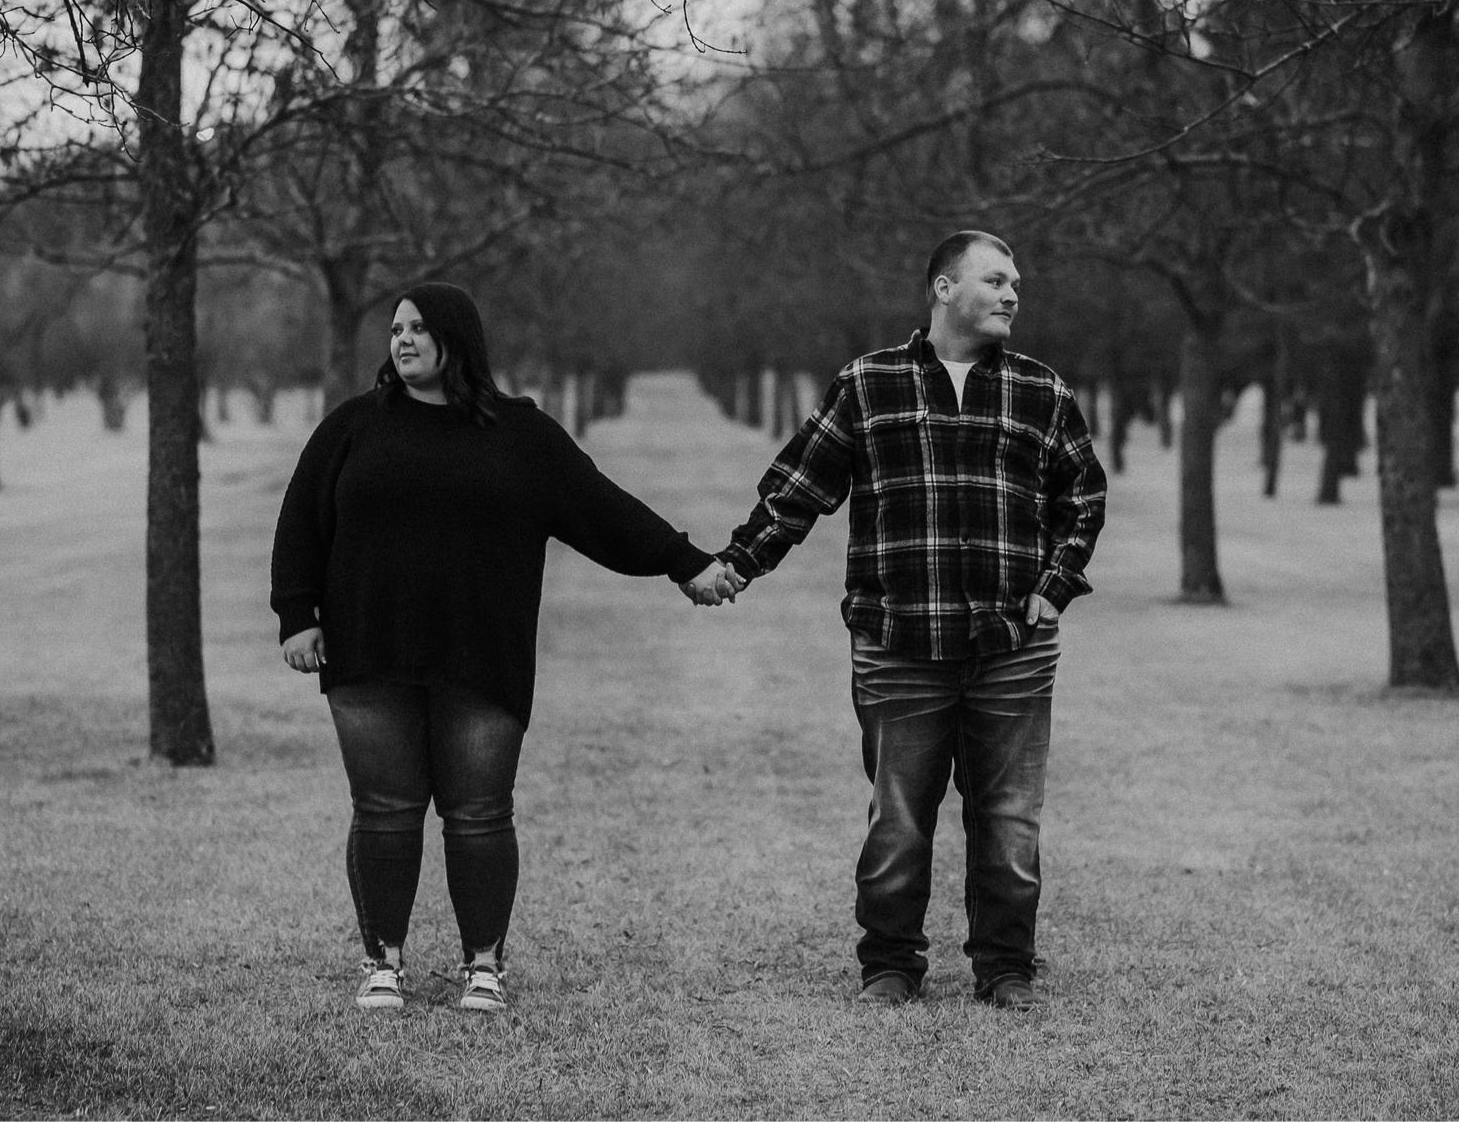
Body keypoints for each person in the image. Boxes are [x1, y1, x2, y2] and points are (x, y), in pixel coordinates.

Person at [271, 282, 732, 1013]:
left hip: (482, 656)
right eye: (395, 329)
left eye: (418, 328)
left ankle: (483, 965)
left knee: (480, 812)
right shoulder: (354, 426)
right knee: (385, 809)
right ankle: (382, 962)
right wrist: (297, 615)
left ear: (457, 338)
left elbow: (601, 510)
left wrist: (686, 562)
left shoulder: (520, 435)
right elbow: (301, 519)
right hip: (369, 652)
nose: (402, 340)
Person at [708, 231, 1107, 1010]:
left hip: (1012, 646)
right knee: (898, 819)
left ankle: (1006, 968)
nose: (1012, 294)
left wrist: (1054, 586)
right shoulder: (870, 383)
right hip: (899, 642)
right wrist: (736, 564)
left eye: (1016, 283)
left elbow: (1082, 497)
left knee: (1010, 822)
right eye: (995, 280)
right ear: (944, 289)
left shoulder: (1041, 390)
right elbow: (797, 490)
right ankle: (890, 963)